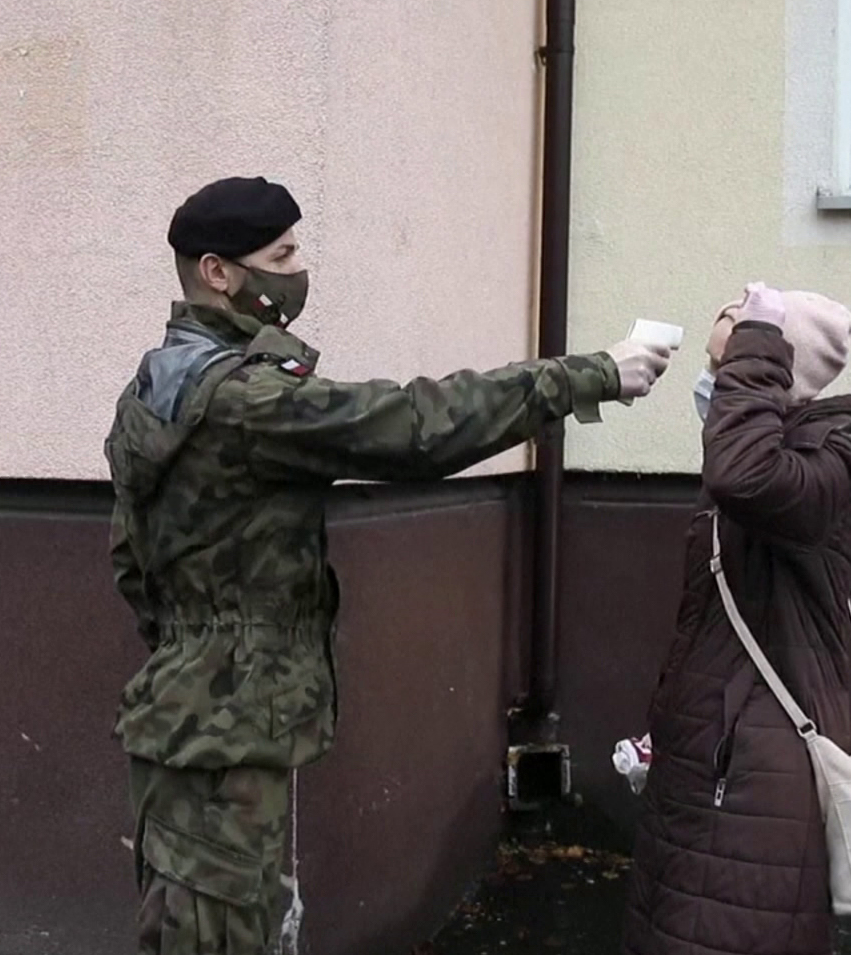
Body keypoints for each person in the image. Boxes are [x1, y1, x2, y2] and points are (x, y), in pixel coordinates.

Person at [103, 176, 673, 955]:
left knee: (198, 925)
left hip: (186, 715)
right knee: (217, 935)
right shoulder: (245, 403)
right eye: (282, 253)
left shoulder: (155, 388)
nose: (297, 267)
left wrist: (196, 650)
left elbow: (131, 561)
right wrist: (589, 374)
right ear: (217, 272)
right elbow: (413, 426)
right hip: (224, 736)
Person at [622, 284, 851, 955]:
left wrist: (754, 342)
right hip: (718, 762)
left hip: (758, 777)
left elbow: (740, 474)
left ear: (778, 364)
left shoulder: (834, 467)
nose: (720, 383)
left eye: (735, 362)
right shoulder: (794, 461)